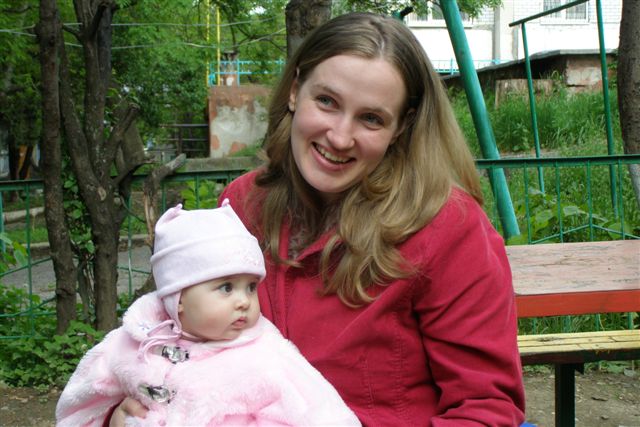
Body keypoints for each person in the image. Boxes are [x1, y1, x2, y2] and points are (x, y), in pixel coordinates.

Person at [115, 11, 526, 426]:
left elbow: (485, 408)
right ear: (295, 91)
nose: (340, 137)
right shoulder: (241, 206)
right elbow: (178, 338)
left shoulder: (447, 227)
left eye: (371, 118)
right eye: (327, 101)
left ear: (402, 126)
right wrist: (127, 412)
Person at [56, 200, 361, 426]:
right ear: (179, 297)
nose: (244, 301)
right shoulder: (130, 345)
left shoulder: (266, 355)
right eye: (226, 287)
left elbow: (321, 411)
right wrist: (112, 419)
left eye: (250, 287)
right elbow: (79, 407)